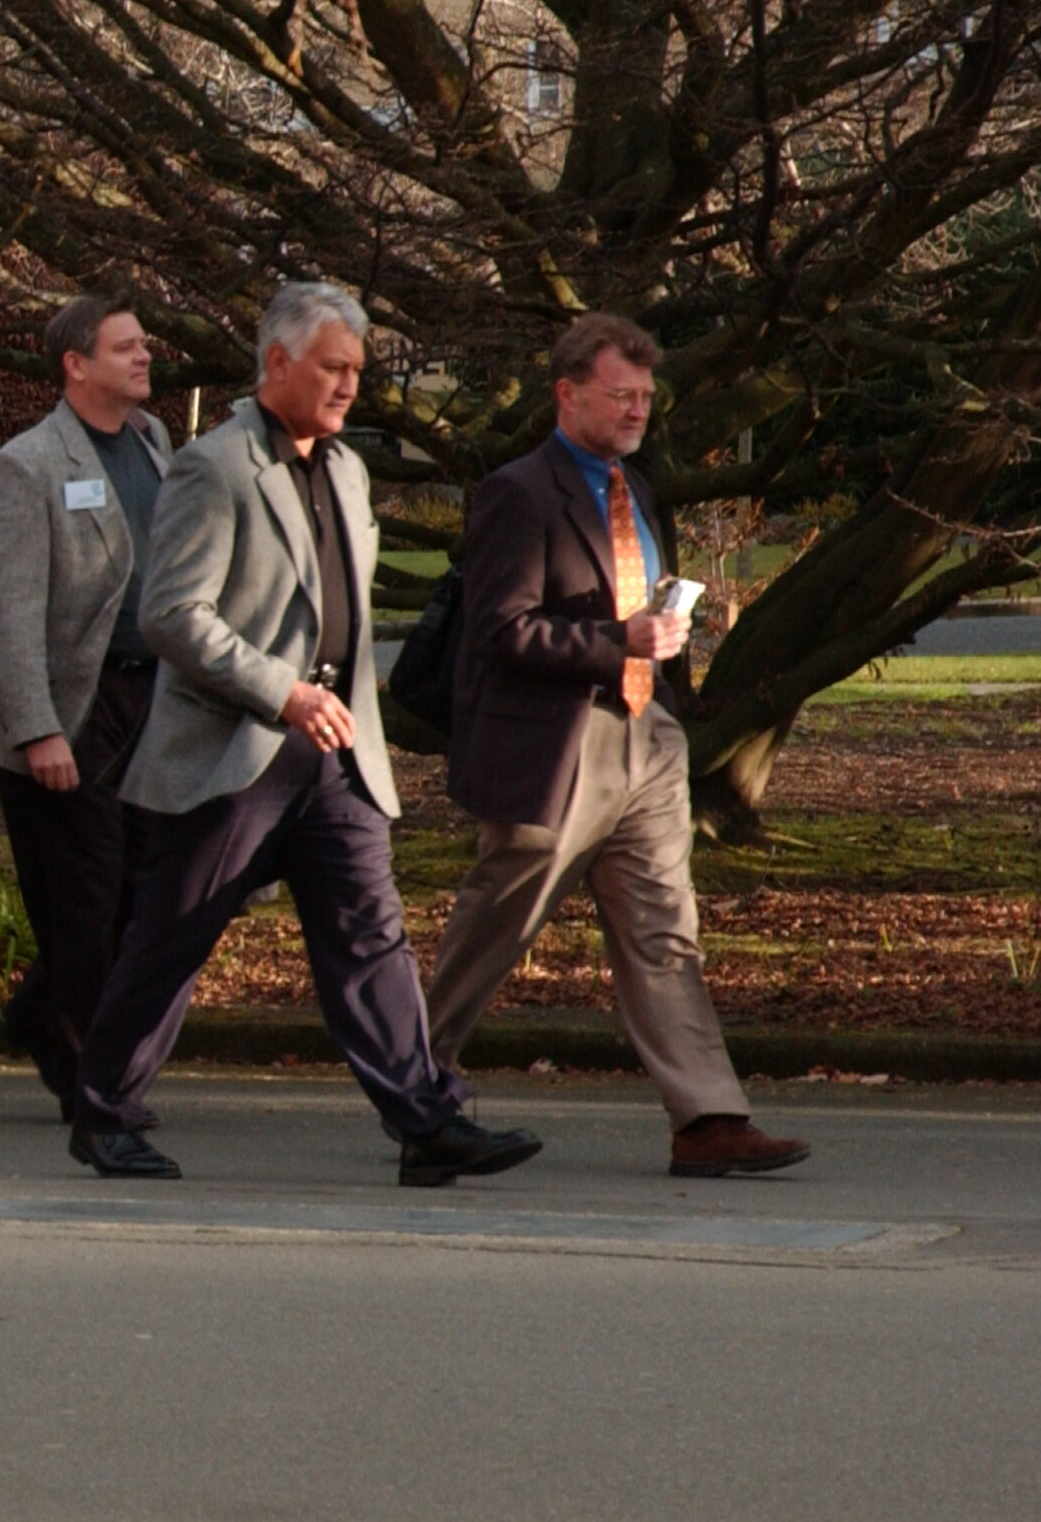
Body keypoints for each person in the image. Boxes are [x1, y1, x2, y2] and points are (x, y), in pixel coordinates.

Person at [66, 281, 543, 1184]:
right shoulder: (213, 466)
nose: (348, 385)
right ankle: (102, 1112)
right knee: (172, 936)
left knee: (369, 937)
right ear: (276, 362)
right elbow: (172, 616)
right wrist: (278, 690)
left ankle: (425, 1121)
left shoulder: (350, 468)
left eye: (358, 370)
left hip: (337, 751)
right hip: (234, 751)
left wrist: (332, 711)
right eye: (332, 366)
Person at [422, 316, 809, 1177]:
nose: (636, 410)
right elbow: (496, 631)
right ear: (567, 394)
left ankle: (707, 1121)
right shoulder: (518, 494)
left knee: (664, 931)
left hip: (644, 737)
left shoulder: (634, 485)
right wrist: (615, 641)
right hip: (557, 745)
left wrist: (660, 670)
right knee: (498, 923)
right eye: (619, 395)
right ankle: (413, 1081)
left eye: (644, 396)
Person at [0, 298, 173, 1111]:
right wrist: (38, 728)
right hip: (71, 712)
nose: (143, 356)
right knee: (83, 904)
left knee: (142, 895)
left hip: (151, 704)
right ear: (75, 364)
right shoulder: (28, 464)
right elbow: (8, 612)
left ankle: (34, 1014)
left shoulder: (156, 443)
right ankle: (91, 1082)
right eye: (124, 346)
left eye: (143, 343)